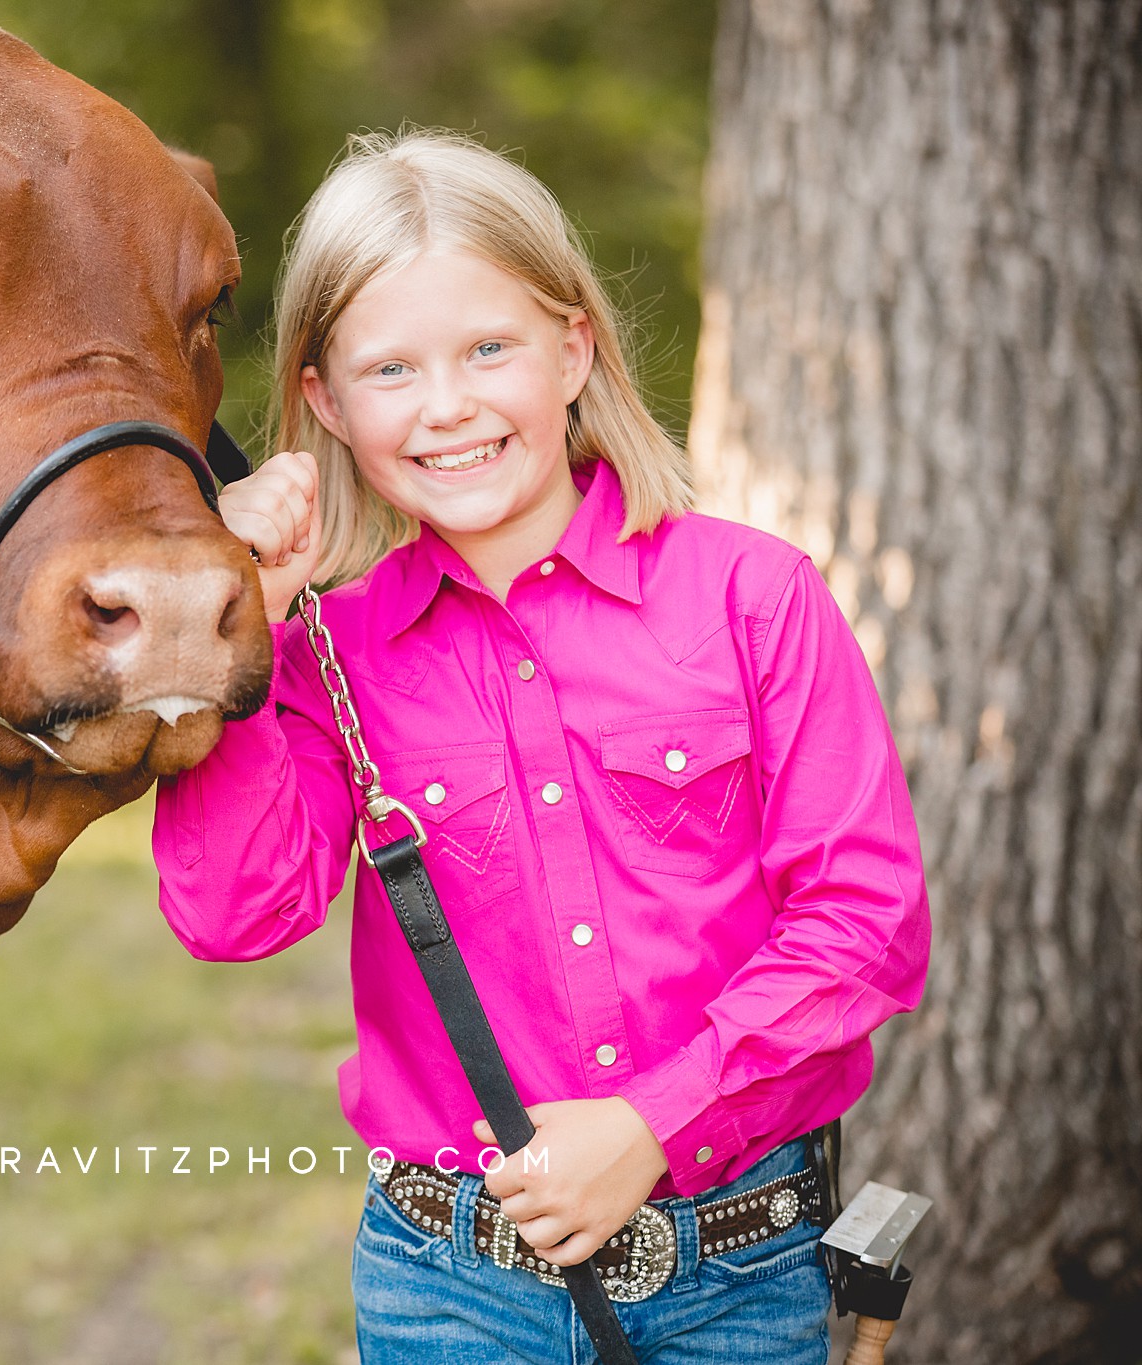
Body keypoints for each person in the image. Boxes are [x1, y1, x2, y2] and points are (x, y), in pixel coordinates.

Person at [151, 129, 931, 1364]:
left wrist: (653, 1124)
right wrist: (237, 616)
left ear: (572, 348)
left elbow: (863, 923)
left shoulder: (750, 598)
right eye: (389, 369)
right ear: (325, 404)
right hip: (446, 1287)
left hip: (733, 1267)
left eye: (487, 349)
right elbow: (236, 916)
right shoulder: (326, 653)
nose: (447, 405)